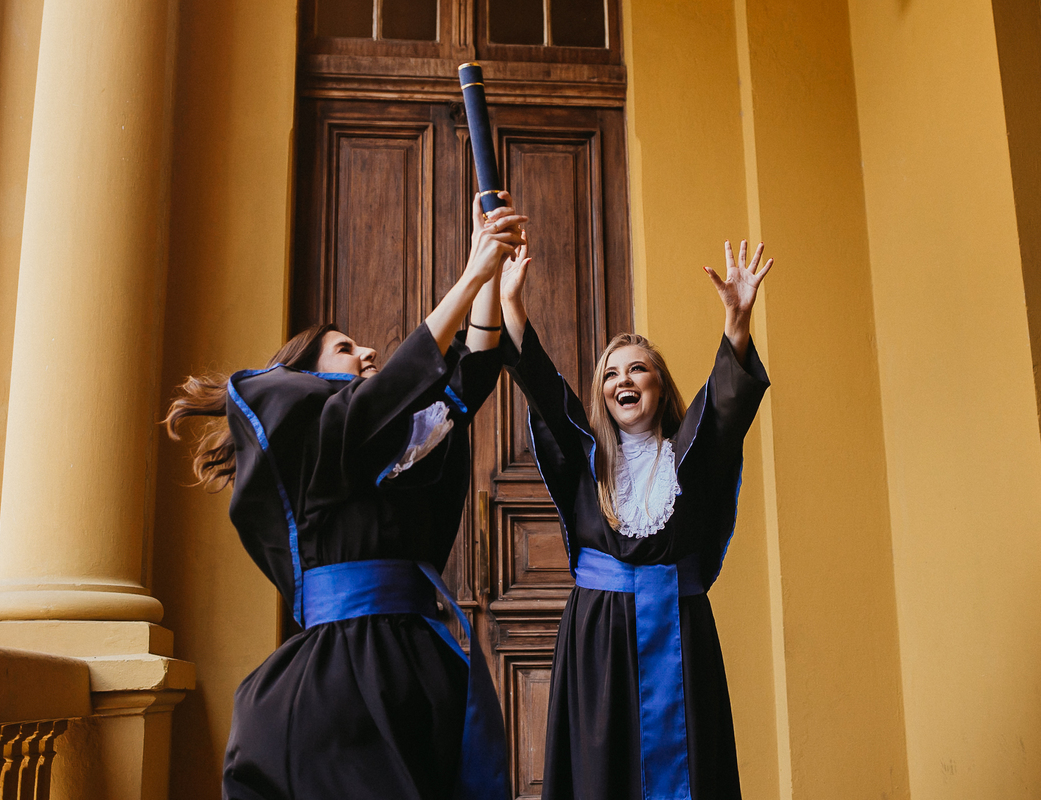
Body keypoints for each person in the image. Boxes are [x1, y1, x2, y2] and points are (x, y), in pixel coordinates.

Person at [165, 194, 526, 800]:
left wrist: (489, 267)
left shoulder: (389, 442)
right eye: (345, 348)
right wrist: (470, 274)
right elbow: (381, 398)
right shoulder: (310, 438)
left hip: (418, 665)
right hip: (342, 679)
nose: (368, 354)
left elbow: (471, 374)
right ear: (303, 376)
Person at [498, 236, 772, 800]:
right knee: (602, 772)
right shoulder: (586, 459)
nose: (624, 380)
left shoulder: (690, 453)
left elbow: (726, 402)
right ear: (601, 393)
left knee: (690, 768)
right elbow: (544, 388)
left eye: (638, 369)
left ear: (659, 384)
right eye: (610, 374)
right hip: (598, 637)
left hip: (680, 631)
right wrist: (512, 305)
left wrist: (737, 323)